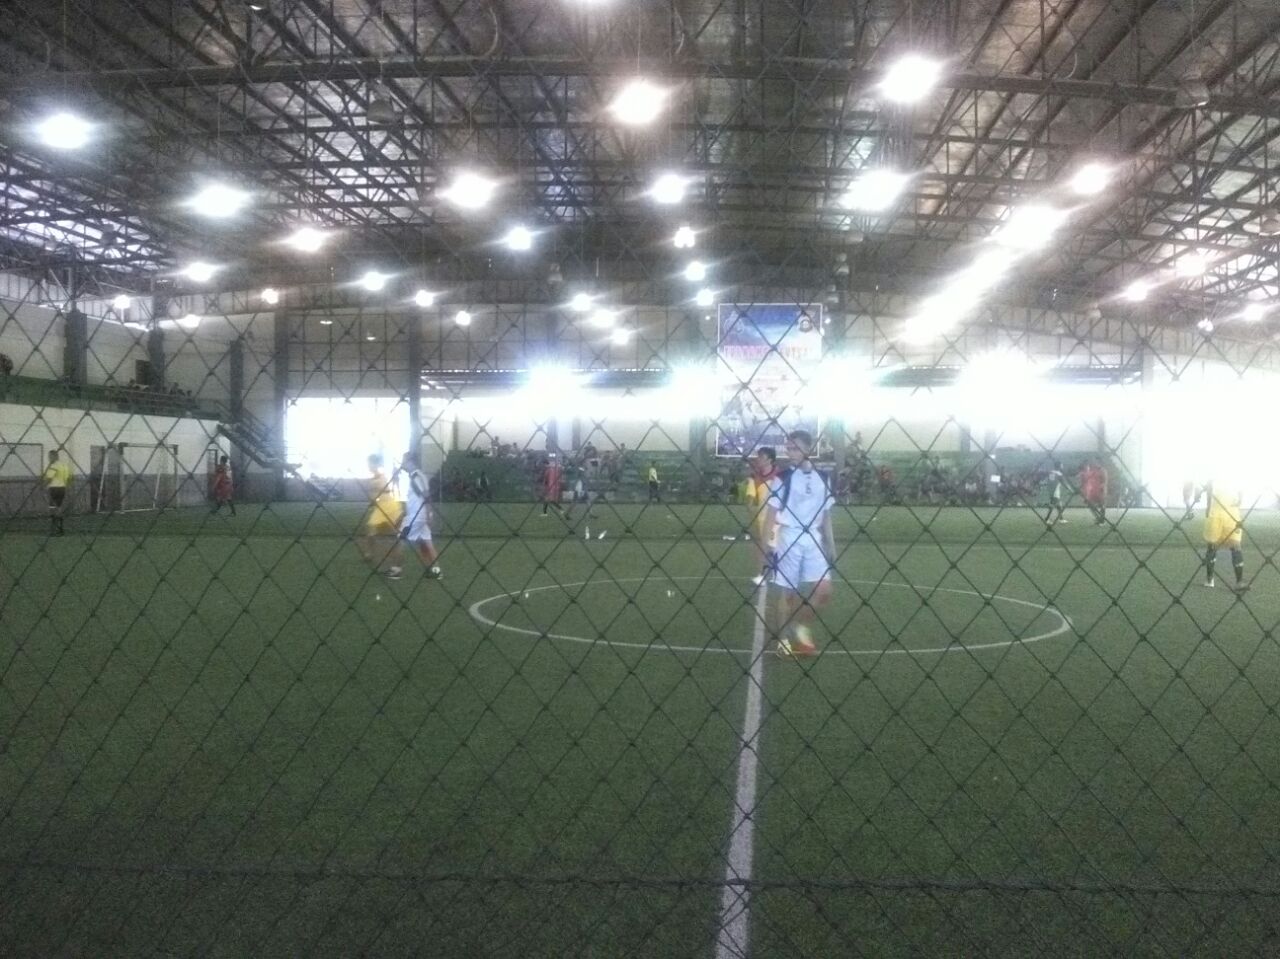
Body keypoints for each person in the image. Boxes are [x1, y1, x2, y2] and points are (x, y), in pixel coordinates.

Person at [764, 430, 835, 659]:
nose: (789, 452)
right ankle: (783, 640)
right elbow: (770, 515)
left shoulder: (823, 478)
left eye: (794, 448)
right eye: (788, 448)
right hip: (789, 538)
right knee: (788, 593)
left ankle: (801, 626)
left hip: (813, 539)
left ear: (808, 449)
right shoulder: (782, 478)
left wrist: (831, 544)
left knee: (824, 591)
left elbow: (826, 515)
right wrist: (766, 546)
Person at [358, 453, 405, 580]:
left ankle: (397, 568)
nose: (368, 466)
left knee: (394, 539)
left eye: (370, 463)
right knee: (371, 532)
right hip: (381, 508)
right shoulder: (376, 477)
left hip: (389, 508)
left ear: (375, 464)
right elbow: (374, 496)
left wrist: (371, 487)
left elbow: (378, 490)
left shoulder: (380, 476)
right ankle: (369, 554)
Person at [399, 451, 442, 578]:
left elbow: (426, 496)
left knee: (400, 540)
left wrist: (429, 514)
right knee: (426, 543)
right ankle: (436, 571)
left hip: (416, 517)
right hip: (419, 516)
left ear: (411, 462)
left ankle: (396, 570)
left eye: (404, 461)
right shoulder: (418, 476)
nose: (402, 464)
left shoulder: (416, 477)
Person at [1202, 482, 1249, 592]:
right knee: (1212, 545)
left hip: (1231, 513)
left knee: (1236, 545)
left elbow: (1241, 486)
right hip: (1216, 511)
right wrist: (1208, 506)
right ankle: (1210, 578)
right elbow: (1209, 486)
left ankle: (1239, 582)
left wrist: (1240, 498)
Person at [746, 446, 778, 586]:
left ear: (770, 460)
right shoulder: (754, 477)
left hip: (777, 518)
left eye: (761, 457)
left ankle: (775, 574)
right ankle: (762, 575)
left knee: (774, 547)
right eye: (758, 457)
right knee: (762, 547)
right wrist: (752, 509)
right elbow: (750, 500)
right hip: (761, 519)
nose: (758, 460)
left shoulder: (780, 476)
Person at [42, 449, 71, 536]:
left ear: (54, 456)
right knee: (59, 508)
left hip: (54, 488)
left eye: (50, 457)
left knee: (52, 509)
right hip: (62, 488)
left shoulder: (54, 465)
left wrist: (43, 486)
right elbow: (68, 478)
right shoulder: (64, 465)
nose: (49, 459)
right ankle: (61, 529)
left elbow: (49, 478)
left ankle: (54, 529)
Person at [1079, 461, 1107, 525]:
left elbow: (1104, 481)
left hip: (1100, 491)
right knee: (1090, 505)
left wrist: (1102, 488)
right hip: (1093, 491)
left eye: (1096, 462)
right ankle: (1098, 518)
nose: (1094, 464)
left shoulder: (1103, 471)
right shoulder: (1093, 471)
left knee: (1101, 505)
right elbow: (1086, 477)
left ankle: (1102, 520)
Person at [1043, 461, 1067, 525]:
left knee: (1058, 505)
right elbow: (1063, 482)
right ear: (1059, 466)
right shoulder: (1059, 474)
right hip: (1056, 490)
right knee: (1053, 505)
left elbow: (1049, 481)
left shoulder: (1051, 472)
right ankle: (1047, 519)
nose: (1062, 466)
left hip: (1051, 490)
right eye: (1062, 465)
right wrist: (1069, 489)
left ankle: (1061, 519)